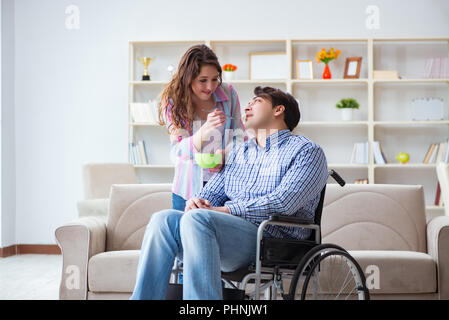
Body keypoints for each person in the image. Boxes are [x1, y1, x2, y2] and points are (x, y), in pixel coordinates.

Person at [130, 86, 328, 300]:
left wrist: (225, 210)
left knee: (199, 220)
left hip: (271, 239)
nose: (248, 105)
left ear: (278, 110)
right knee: (163, 220)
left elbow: (283, 202)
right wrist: (197, 202)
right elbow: (211, 194)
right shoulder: (239, 151)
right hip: (223, 235)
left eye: (257, 101)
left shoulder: (307, 151)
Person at [158, 44, 246, 211]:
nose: (210, 87)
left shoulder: (228, 93)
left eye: (215, 79)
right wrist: (206, 129)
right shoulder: (172, 102)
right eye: (203, 80)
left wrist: (224, 155)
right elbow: (179, 151)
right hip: (187, 188)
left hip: (224, 185)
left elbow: (239, 137)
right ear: (188, 78)